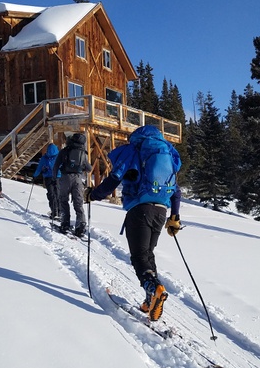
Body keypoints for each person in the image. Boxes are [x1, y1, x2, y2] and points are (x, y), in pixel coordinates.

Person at [85, 125, 182, 321]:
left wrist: (93, 194)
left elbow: (114, 179)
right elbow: (176, 190)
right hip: (161, 211)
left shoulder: (134, 150)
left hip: (140, 209)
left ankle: (154, 288)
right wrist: (175, 217)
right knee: (148, 254)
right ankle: (149, 300)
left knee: (139, 257)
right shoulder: (166, 152)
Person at [52, 132, 92, 237]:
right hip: (78, 179)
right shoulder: (82, 153)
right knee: (78, 202)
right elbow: (89, 168)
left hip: (65, 178)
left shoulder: (65, 151)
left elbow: (56, 165)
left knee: (63, 200)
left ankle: (65, 223)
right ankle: (81, 225)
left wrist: (54, 177)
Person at [32, 143, 61, 219]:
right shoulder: (59, 156)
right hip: (58, 177)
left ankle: (54, 212)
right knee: (58, 193)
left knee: (51, 194)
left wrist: (35, 176)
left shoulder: (44, 157)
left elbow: (39, 168)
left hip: (48, 178)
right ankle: (60, 212)